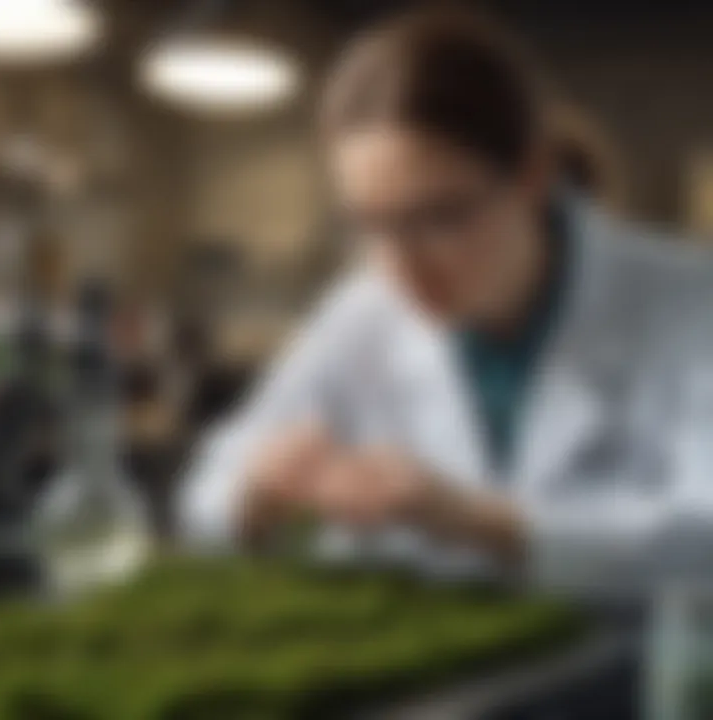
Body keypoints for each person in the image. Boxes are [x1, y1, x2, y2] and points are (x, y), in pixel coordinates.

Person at [178, 8, 713, 597]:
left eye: (439, 218)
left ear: (533, 175)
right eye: (369, 226)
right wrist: (255, 497)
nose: (402, 267)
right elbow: (208, 493)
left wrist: (481, 522)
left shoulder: (689, 300)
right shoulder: (363, 310)